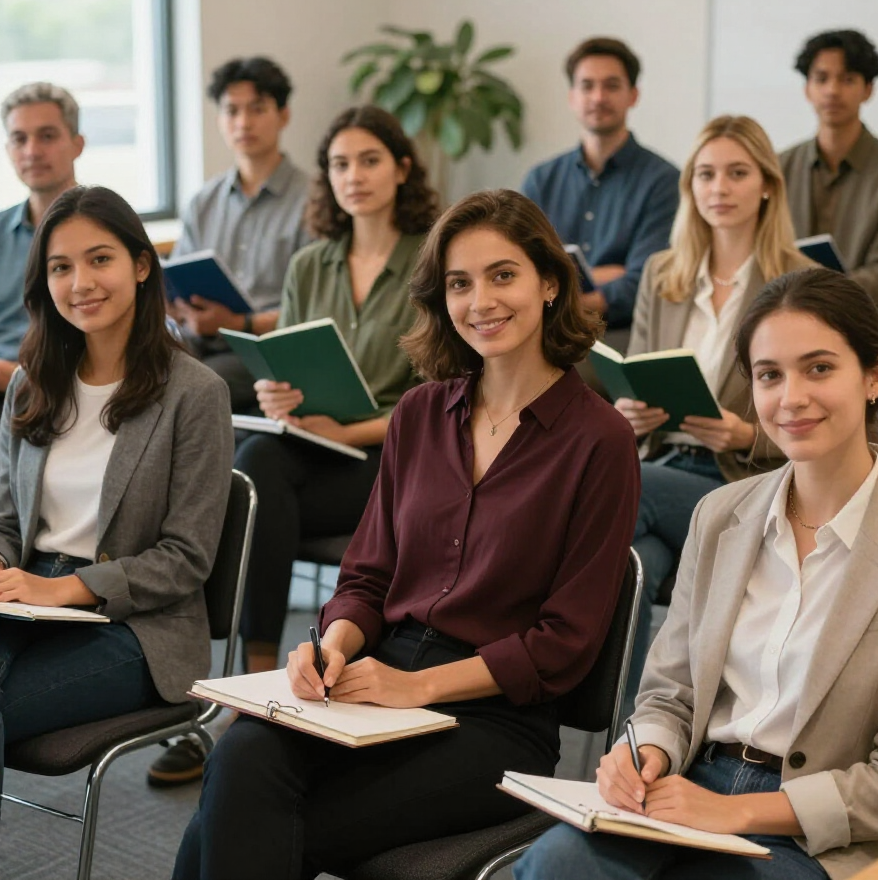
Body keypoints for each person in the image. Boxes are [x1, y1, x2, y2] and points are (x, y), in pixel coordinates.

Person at [171, 189, 641, 880]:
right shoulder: (420, 413)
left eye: (502, 275)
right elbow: (366, 577)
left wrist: (417, 689)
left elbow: (563, 644)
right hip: (372, 677)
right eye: (459, 283)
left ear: (548, 283)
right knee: (240, 756)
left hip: (495, 721)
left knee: (250, 815)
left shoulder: (600, 440)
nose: (480, 300)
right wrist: (329, 649)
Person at [515, 268, 878, 880]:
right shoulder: (719, 515)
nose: (791, 397)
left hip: (820, 834)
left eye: (819, 368)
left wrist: (738, 813)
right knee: (553, 866)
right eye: (769, 375)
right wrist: (646, 752)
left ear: (874, 377)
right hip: (689, 786)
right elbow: (669, 693)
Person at [147, 105, 440, 786]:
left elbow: (441, 403)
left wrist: (349, 430)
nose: (353, 176)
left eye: (369, 160)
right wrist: (280, 396)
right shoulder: (312, 264)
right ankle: (257, 681)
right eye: (340, 164)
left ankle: (253, 688)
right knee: (254, 472)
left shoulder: (432, 261)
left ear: (400, 168)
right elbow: (293, 363)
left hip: (398, 459)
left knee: (253, 488)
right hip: (320, 451)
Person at [0, 186, 233, 799]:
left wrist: (65, 590)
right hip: (25, 597)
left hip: (137, 626)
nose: (81, 282)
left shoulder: (195, 393)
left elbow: (186, 557)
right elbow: (5, 521)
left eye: (99, 259)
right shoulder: (29, 383)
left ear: (140, 264)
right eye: (60, 267)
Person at [616, 115, 811, 707]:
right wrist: (631, 415)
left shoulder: (800, 283)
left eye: (736, 173)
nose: (718, 188)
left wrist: (745, 435)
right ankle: (631, 738)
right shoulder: (662, 274)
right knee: (634, 568)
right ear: (690, 188)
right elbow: (636, 372)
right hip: (666, 462)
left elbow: (822, 421)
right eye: (705, 174)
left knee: (627, 490)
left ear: (767, 185)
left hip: (746, 479)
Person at [170, 56, 310, 411]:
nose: (243, 122)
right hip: (202, 342)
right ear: (219, 119)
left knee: (190, 383)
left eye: (257, 109)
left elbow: (315, 307)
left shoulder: (315, 200)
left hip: (271, 350)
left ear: (283, 115)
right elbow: (173, 288)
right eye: (231, 111)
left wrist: (236, 323)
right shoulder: (203, 201)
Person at [521, 37, 679, 341]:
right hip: (545, 330)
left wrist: (566, 297)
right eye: (587, 86)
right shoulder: (541, 180)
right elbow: (524, 271)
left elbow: (645, 283)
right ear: (571, 96)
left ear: (633, 95)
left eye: (611, 86)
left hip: (622, 334)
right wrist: (608, 274)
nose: (598, 97)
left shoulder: (664, 181)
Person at [778, 29, 878, 340]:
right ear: (807, 88)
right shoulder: (779, 167)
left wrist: (818, 296)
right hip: (785, 314)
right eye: (821, 78)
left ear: (868, 89)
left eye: (847, 79)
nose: (832, 90)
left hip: (866, 322)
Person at [1, 82, 85, 413]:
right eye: (19, 139)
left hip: (64, 393)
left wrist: (13, 377)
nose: (32, 151)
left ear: (77, 145)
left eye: (47, 136)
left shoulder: (108, 233)